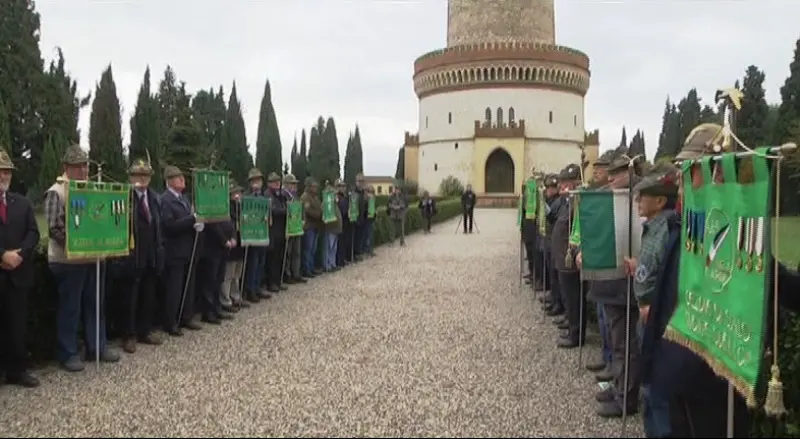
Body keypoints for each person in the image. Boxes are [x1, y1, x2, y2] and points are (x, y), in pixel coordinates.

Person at [639, 123, 800, 437]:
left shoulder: (733, 240)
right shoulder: (685, 229)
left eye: (692, 172)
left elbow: (775, 284)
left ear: (719, 176)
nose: (682, 185)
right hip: (669, 376)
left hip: (706, 390)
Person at [45, 144, 120, 371]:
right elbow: (54, 227)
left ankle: (97, 346)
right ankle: (68, 353)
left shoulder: (92, 189)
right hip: (68, 261)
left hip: (93, 259)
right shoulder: (56, 192)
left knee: (95, 305)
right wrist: (78, 244)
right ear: (66, 167)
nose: (84, 170)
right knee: (71, 308)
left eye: (85, 165)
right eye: (78, 166)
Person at [0, 148, 40, 387]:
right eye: (0, 172)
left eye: (6, 172)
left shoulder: (22, 203)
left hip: (18, 274)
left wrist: (20, 255)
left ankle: (17, 371)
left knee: (17, 325)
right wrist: (2, 254)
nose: (3, 176)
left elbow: (33, 232)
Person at [119, 157, 164, 354]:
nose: (142, 179)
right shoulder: (124, 197)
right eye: (138, 175)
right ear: (130, 177)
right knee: (130, 297)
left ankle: (145, 330)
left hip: (151, 253)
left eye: (145, 175)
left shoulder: (155, 197)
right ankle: (128, 335)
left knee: (148, 295)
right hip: (132, 254)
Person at [160, 165, 204, 337]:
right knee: (174, 288)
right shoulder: (165, 200)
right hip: (174, 250)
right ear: (170, 181)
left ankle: (187, 317)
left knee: (189, 284)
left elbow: (189, 219)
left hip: (188, 249)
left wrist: (196, 223)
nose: (183, 180)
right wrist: (191, 220)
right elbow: (169, 225)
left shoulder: (184, 199)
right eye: (179, 178)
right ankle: (171, 322)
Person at [582, 151, 614, 377]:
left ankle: (614, 366)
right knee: (604, 318)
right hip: (599, 266)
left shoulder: (618, 198)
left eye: (601, 169)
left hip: (613, 268)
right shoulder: (596, 196)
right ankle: (607, 358)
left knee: (614, 324)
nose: (597, 172)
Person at [550, 163, 584, 349]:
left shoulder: (578, 202)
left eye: (567, 183)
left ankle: (576, 334)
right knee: (567, 296)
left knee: (573, 298)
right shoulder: (567, 202)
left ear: (576, 183)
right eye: (563, 183)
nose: (563, 186)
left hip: (570, 258)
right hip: (562, 257)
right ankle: (571, 325)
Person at [221, 182, 249, 312]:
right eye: (234, 193)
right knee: (228, 274)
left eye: (239, 193)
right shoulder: (226, 207)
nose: (238, 195)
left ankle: (236, 296)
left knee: (237, 273)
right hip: (231, 242)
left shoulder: (241, 207)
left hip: (241, 243)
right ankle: (225, 300)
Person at [243, 168, 270, 302]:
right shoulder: (246, 196)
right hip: (251, 235)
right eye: (254, 180)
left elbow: (267, 213)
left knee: (261, 263)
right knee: (252, 264)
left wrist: (267, 218)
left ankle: (258, 287)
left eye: (258, 180)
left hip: (262, 234)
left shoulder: (264, 197)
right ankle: (250, 290)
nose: (257, 182)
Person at [265, 172, 288, 292]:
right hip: (272, 231)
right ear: (269, 184)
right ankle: (271, 282)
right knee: (272, 259)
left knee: (279, 257)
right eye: (274, 182)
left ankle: (278, 280)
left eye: (278, 182)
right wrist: (285, 210)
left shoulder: (281, 195)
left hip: (281, 230)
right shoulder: (268, 195)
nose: (277, 184)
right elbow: (273, 210)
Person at [281, 174, 305, 284]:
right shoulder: (283, 195)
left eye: (295, 184)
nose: (294, 186)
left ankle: (296, 273)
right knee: (288, 253)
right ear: (286, 184)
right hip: (288, 228)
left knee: (297, 252)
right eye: (292, 183)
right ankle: (287, 274)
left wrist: (302, 219)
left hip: (297, 227)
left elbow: (300, 208)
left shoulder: (295, 196)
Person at [301, 177, 323, 278]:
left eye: (316, 186)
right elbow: (308, 211)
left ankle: (311, 267)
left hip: (316, 226)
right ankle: (306, 269)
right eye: (313, 186)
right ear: (309, 187)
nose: (315, 188)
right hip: (309, 226)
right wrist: (319, 215)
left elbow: (320, 209)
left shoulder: (316, 197)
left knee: (313, 249)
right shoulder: (305, 197)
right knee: (308, 249)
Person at [323, 180, 342, 272]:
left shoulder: (335, 204)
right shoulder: (327, 203)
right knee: (329, 247)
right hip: (331, 228)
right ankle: (328, 265)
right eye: (335, 194)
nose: (336, 196)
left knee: (334, 247)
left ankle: (333, 263)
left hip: (336, 228)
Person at [335, 180, 352, 267]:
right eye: (340, 186)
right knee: (339, 242)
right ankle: (339, 261)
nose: (342, 188)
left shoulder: (345, 197)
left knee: (345, 241)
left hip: (346, 221)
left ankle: (343, 259)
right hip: (340, 220)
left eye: (343, 186)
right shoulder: (336, 197)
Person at [353, 174, 368, 261]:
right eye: (359, 181)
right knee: (356, 238)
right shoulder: (354, 192)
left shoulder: (363, 193)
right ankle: (355, 254)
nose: (361, 183)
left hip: (362, 218)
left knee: (361, 237)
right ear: (356, 182)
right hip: (356, 218)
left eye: (362, 181)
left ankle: (359, 252)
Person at [363, 186, 377, 256]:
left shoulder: (372, 199)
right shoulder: (365, 200)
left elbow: (374, 210)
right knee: (367, 237)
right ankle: (367, 251)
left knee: (371, 236)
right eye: (369, 192)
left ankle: (370, 250)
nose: (371, 193)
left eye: (372, 192)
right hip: (367, 220)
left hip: (372, 220)